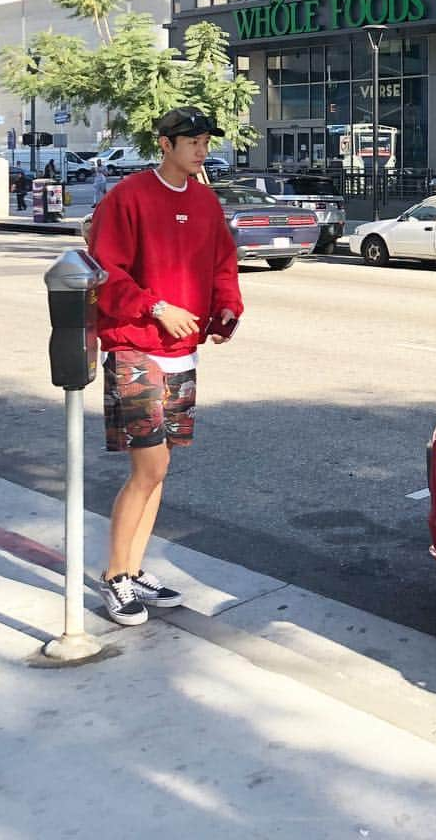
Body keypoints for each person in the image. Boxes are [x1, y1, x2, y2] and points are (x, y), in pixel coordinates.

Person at [87, 107, 243, 626]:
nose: (202, 150)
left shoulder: (204, 201)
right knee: (149, 466)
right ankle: (114, 576)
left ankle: (133, 570)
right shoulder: (128, 197)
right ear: (165, 144)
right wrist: (156, 307)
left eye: (205, 141)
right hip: (135, 347)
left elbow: (224, 264)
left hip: (184, 351)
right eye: (192, 141)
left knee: (162, 469)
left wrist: (227, 309)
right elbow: (105, 271)